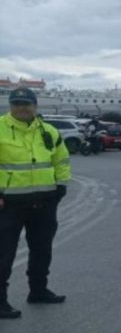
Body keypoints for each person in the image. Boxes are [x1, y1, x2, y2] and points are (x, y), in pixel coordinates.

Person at [0, 87, 71, 319]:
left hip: (44, 202)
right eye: (16, 103)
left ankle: (38, 291)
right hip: (8, 204)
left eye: (26, 103)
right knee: (3, 253)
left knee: (42, 250)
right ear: (10, 106)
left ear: (35, 106)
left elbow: (61, 160)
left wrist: (60, 186)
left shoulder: (48, 131)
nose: (21, 108)